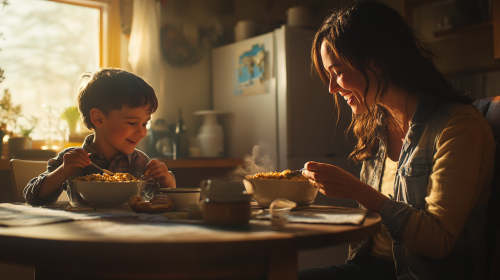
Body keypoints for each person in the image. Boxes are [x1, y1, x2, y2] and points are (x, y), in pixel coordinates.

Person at [299, 1, 495, 279]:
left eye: (338, 71)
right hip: (367, 267)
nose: (332, 88)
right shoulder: (378, 125)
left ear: (376, 62)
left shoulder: (458, 126)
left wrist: (356, 190)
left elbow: (438, 241)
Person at [24, 68, 176, 206]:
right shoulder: (71, 160)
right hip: (83, 231)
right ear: (99, 119)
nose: (142, 133)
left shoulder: (141, 163)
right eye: (132, 123)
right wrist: (63, 171)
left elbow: (164, 202)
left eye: (145, 124)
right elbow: (33, 197)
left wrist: (168, 181)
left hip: (128, 231)